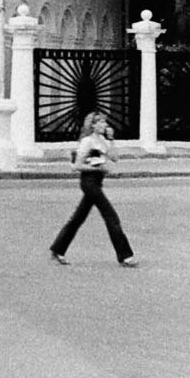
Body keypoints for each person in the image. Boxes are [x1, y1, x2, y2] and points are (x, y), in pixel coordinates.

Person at [49, 111, 138, 267]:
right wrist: (98, 169)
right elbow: (77, 166)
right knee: (111, 217)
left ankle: (58, 249)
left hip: (97, 182)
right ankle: (125, 256)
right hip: (89, 181)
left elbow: (115, 158)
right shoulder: (87, 141)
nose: (105, 125)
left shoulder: (102, 140)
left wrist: (111, 140)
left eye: (105, 122)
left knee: (78, 218)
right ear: (93, 125)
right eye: (101, 122)